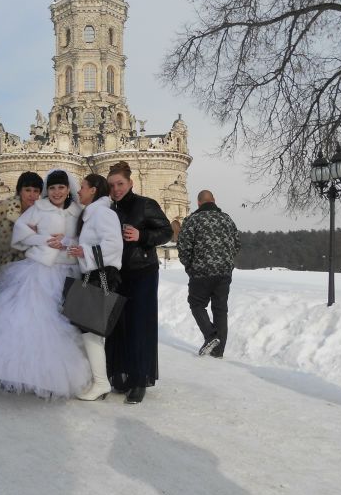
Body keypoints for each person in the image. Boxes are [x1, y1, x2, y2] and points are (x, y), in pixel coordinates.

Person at [0, 169, 89, 399]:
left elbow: (86, 240)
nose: (57, 192)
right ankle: (22, 375)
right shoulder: (39, 209)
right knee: (30, 325)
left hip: (68, 272)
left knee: (64, 328)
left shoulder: (78, 211)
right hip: (39, 272)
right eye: (52, 188)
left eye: (61, 187)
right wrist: (44, 240)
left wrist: (68, 242)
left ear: (68, 189)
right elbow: (19, 237)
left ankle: (51, 378)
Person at [106, 161, 172, 404]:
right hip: (119, 274)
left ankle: (139, 380)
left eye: (120, 184)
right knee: (119, 325)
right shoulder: (109, 209)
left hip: (143, 272)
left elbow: (167, 231)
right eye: (112, 185)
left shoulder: (145, 205)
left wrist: (141, 235)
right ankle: (121, 374)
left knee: (139, 325)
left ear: (130, 183)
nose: (116, 189)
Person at [68, 174, 123, 401]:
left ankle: (101, 383)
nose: (79, 191)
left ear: (93, 190)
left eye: (82, 187)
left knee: (90, 332)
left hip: (101, 275)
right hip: (94, 273)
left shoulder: (103, 213)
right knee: (90, 333)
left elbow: (113, 244)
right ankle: (97, 380)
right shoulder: (92, 214)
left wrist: (86, 253)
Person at [177, 190, 241, 359]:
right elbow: (237, 244)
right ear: (214, 200)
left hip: (201, 272)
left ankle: (211, 336)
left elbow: (183, 247)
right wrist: (226, 261)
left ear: (198, 203)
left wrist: (190, 267)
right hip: (224, 272)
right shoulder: (227, 219)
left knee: (196, 304)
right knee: (220, 310)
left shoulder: (192, 220)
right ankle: (218, 352)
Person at [0, 171, 43, 287]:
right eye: (27, 190)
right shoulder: (0, 210)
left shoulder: (42, 216)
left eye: (36, 191)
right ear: (19, 191)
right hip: (0, 276)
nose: (32, 195)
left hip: (28, 279)